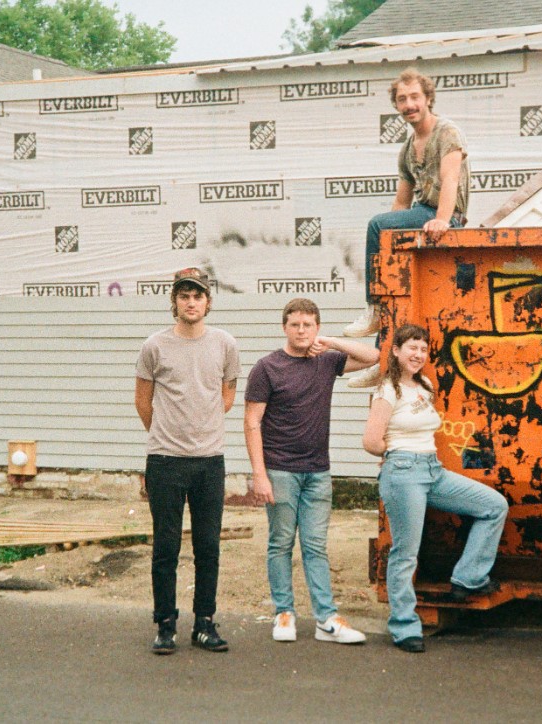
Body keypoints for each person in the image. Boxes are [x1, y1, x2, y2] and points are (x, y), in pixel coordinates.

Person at [362, 323, 509, 653]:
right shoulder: (387, 391)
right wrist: (396, 456)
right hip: (404, 473)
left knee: (493, 506)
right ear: (396, 351)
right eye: (411, 348)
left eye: (423, 349)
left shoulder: (424, 385)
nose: (418, 354)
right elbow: (371, 441)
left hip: (433, 470)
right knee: (405, 553)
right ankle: (404, 626)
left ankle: (468, 578)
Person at [244, 298, 379, 645]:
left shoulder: (327, 361)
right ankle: (284, 613)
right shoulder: (267, 368)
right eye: (295, 325)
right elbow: (252, 422)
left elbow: (374, 357)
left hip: (318, 471)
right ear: (284, 327)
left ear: (317, 328)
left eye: (308, 325)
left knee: (316, 546)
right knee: (280, 543)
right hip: (280, 470)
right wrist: (259, 474)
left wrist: (331, 342)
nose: (301, 330)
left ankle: (326, 619)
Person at [134, 267, 241, 655]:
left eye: (197, 296)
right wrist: (167, 434)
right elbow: (142, 401)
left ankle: (204, 623)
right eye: (184, 296)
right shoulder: (154, 346)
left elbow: (227, 395)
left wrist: (202, 426)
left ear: (208, 302)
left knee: (208, 547)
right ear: (174, 302)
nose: (191, 302)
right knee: (166, 548)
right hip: (165, 462)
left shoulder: (225, 344)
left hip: (209, 462)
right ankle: (165, 624)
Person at [343, 68, 471, 388]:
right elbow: (401, 202)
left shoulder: (447, 133)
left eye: (415, 97)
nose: (409, 104)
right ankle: (382, 360)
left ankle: (373, 310)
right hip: (420, 214)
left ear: (428, 99)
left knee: (377, 225)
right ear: (396, 105)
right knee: (392, 293)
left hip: (445, 215)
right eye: (402, 99)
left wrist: (443, 219)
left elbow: (451, 179)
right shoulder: (407, 147)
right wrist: (386, 243)